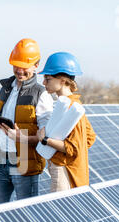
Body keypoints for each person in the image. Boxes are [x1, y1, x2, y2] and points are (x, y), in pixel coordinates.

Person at [0, 38, 54, 203]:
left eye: (24, 66)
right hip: (1, 162)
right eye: (16, 65)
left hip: (25, 164)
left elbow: (47, 138)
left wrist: (22, 138)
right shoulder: (5, 89)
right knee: (0, 211)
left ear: (36, 66)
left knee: (27, 214)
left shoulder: (41, 94)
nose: (19, 70)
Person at [36, 52, 96, 192]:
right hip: (71, 170)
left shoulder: (70, 108)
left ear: (62, 80)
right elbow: (89, 138)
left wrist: (45, 140)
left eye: (47, 78)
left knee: (60, 212)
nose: (44, 82)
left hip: (64, 172)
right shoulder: (74, 105)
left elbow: (73, 149)